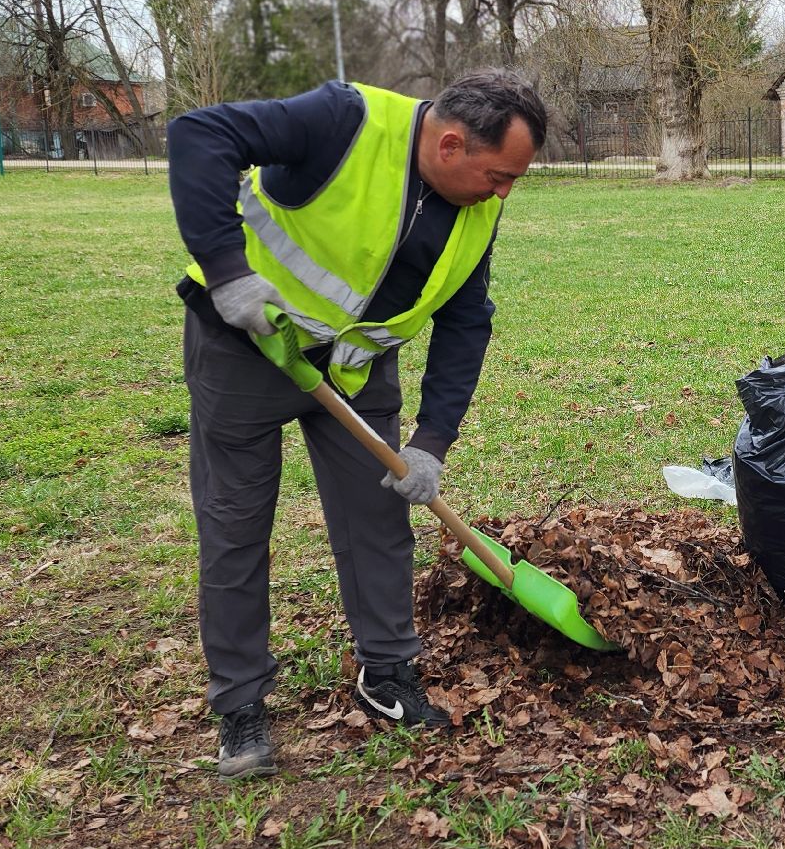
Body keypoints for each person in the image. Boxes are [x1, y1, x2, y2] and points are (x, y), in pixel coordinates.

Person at [168, 69, 547, 778]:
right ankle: (241, 706)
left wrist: (432, 440)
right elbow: (200, 135)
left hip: (354, 372)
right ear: (451, 144)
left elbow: (467, 319)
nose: (503, 193)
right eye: (499, 176)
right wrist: (227, 270)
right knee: (236, 526)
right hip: (247, 349)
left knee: (379, 525)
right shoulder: (344, 121)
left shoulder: (480, 209)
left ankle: (388, 675)